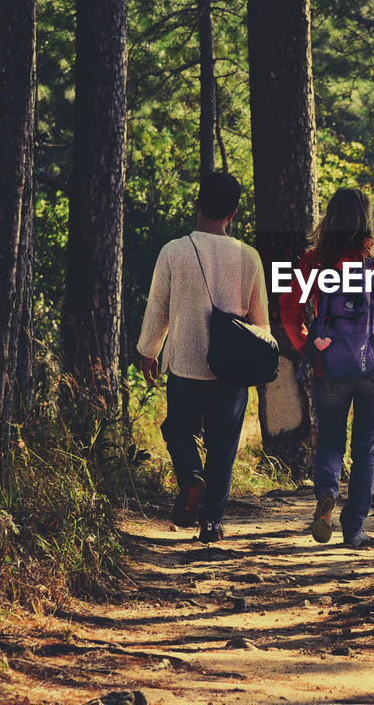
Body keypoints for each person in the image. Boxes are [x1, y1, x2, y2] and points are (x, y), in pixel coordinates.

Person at [281, 187, 374, 549]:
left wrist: (306, 347)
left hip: (328, 363)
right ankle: (354, 528)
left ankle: (327, 493)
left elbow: (288, 311)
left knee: (330, 440)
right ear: (367, 219)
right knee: (365, 448)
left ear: (329, 217)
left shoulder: (313, 261)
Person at [137, 171, 269, 543]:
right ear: (234, 213)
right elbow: (260, 323)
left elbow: (158, 307)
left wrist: (149, 351)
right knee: (224, 444)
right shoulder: (249, 257)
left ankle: (191, 476)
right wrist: (260, 370)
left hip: (184, 363)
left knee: (177, 429)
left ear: (196, 206)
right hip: (232, 371)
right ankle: (211, 521)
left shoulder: (173, 251)